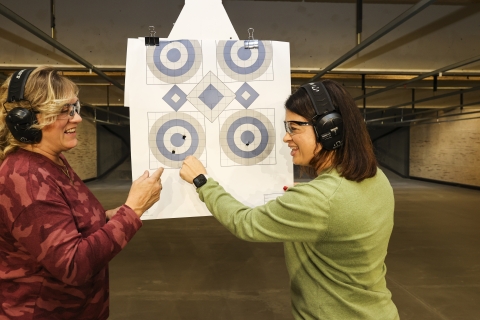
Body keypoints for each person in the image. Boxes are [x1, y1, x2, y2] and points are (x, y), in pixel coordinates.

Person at [180, 79, 399, 319]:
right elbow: (336, 210)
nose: (286, 138)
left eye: (294, 128)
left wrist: (202, 181)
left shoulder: (320, 199)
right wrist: (307, 196)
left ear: (329, 129)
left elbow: (245, 223)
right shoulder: (378, 178)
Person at [0, 66, 164, 320]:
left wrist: (110, 217)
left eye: (74, 108)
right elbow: (73, 266)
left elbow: (69, 224)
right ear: (26, 120)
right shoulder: (28, 178)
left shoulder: (52, 162)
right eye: (64, 111)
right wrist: (133, 211)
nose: (77, 118)